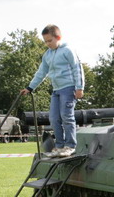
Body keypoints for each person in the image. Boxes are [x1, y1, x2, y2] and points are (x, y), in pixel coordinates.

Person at [21, 24, 84, 158]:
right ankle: (59, 146)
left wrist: (79, 88)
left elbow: (77, 68)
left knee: (66, 116)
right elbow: (41, 72)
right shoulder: (47, 55)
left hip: (69, 88)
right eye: (45, 41)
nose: (48, 44)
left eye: (50, 41)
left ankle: (70, 145)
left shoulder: (68, 50)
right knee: (54, 118)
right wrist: (30, 87)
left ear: (58, 37)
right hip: (56, 90)